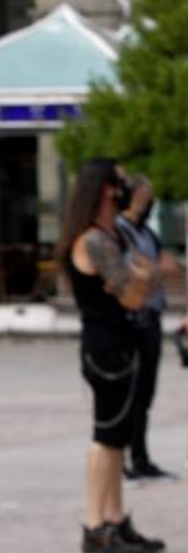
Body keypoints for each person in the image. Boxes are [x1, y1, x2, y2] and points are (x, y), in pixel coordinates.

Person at [58, 159, 164, 553]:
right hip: (108, 349)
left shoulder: (108, 236)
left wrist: (138, 274)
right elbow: (135, 293)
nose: (125, 186)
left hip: (121, 343)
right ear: (105, 188)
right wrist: (140, 274)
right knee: (106, 438)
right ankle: (96, 526)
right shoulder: (94, 242)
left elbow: (141, 279)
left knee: (117, 437)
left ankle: (115, 519)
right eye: (119, 180)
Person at [114, 174, 180, 481]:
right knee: (129, 394)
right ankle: (123, 459)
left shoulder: (148, 234)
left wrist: (150, 270)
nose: (149, 200)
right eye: (146, 195)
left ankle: (140, 457)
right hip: (132, 321)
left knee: (145, 395)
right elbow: (133, 271)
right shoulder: (120, 231)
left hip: (152, 318)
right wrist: (151, 271)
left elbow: (170, 266)